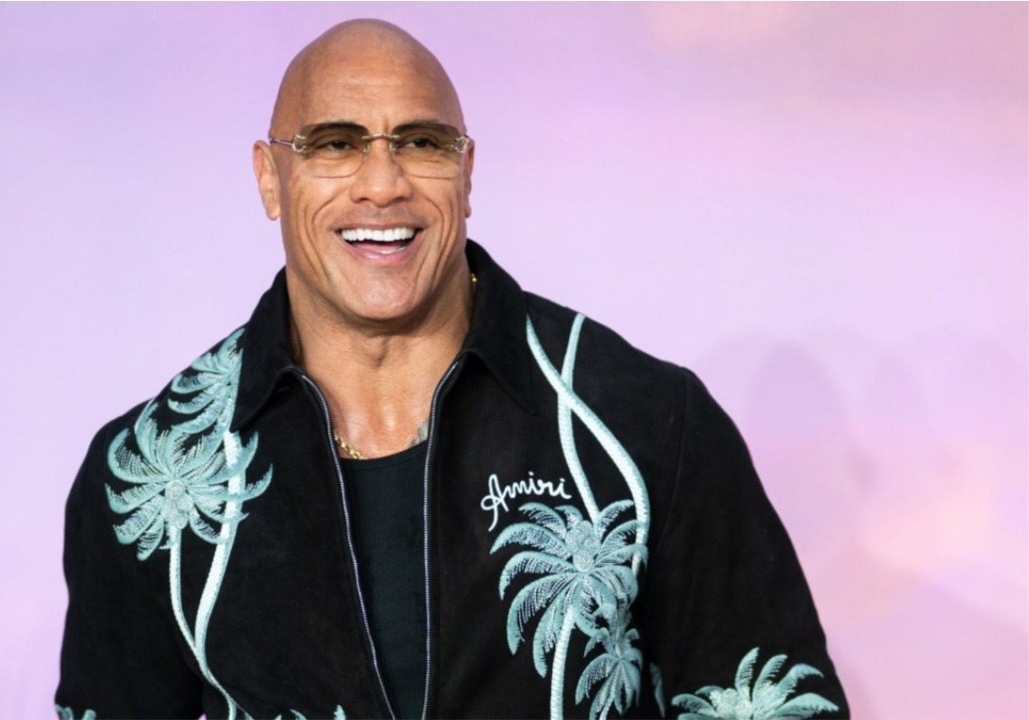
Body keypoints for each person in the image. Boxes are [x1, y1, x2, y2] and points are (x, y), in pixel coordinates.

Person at [55, 19, 848, 720]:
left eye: (422, 143)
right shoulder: (149, 476)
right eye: (335, 144)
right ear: (271, 177)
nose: (382, 184)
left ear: (467, 174)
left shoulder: (648, 422)